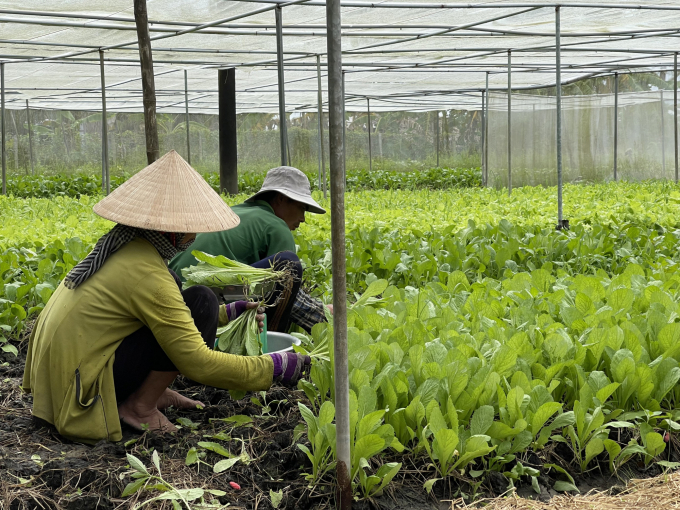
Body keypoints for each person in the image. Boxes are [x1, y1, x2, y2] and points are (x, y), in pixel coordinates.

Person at [21, 151, 310, 444]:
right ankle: (139, 406)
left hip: (61, 384)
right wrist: (274, 367)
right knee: (200, 303)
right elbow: (198, 363)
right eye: (193, 226)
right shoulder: (148, 274)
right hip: (81, 395)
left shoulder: (128, 250)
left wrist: (227, 312)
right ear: (175, 230)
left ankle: (149, 392)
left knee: (202, 300)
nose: (195, 235)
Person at [170, 166, 331, 333]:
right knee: (288, 264)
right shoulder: (276, 226)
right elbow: (286, 288)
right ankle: (274, 343)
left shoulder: (235, 212)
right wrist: (326, 314)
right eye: (302, 208)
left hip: (176, 297)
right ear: (280, 199)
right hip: (207, 300)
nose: (303, 218)